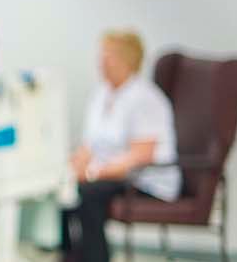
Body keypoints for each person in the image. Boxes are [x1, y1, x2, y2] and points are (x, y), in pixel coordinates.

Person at [62, 30, 180, 262]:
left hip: (146, 180)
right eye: (102, 55)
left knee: (86, 193)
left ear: (128, 60)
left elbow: (140, 155)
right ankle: (69, 255)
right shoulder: (101, 95)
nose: (102, 62)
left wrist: (93, 173)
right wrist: (69, 170)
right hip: (109, 175)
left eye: (109, 56)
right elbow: (89, 146)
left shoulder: (145, 98)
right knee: (61, 190)